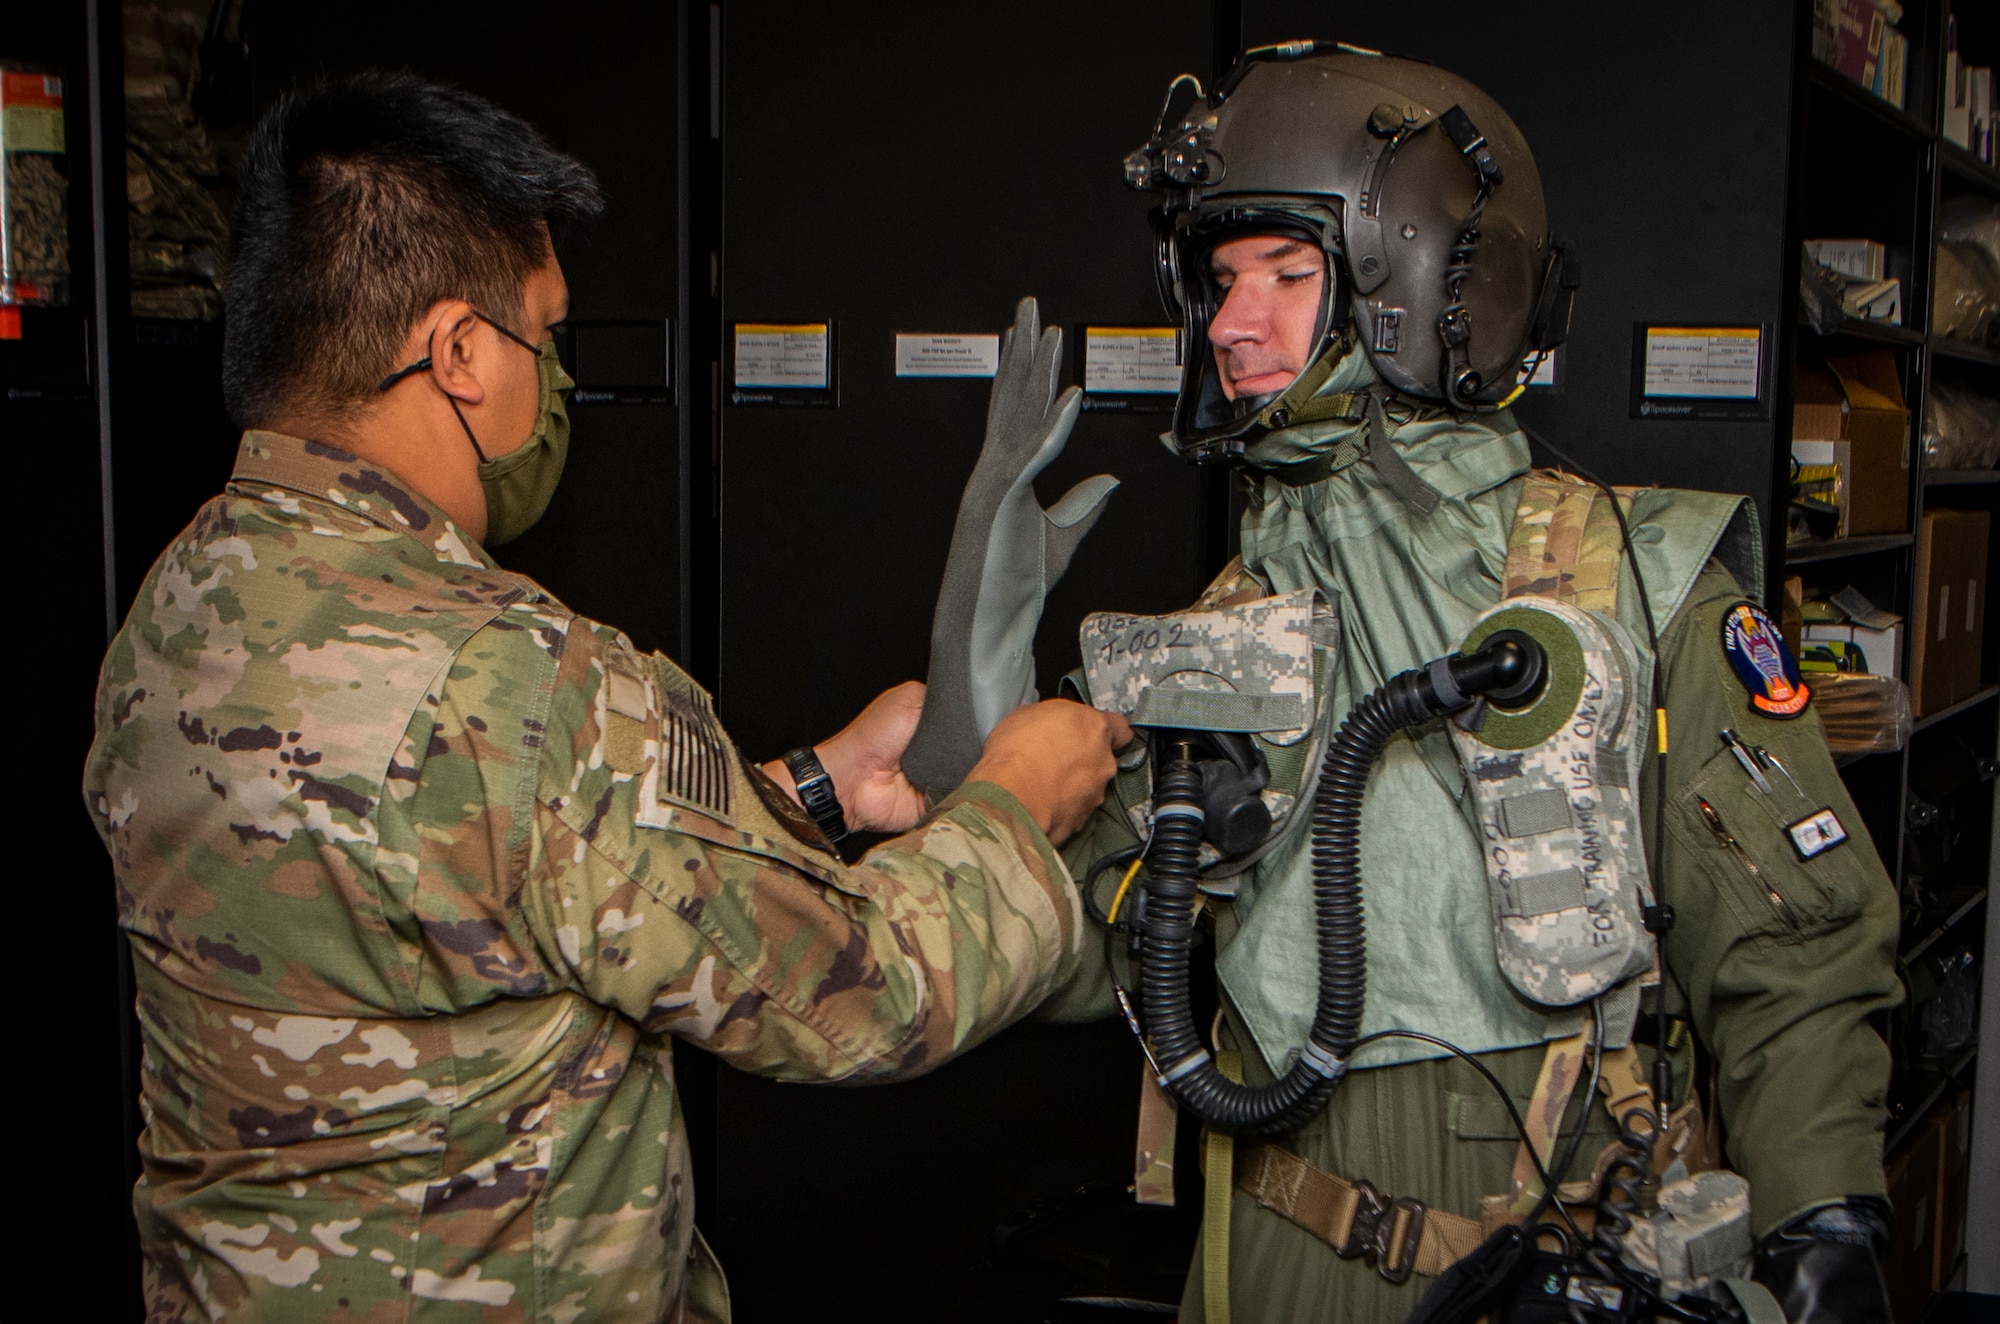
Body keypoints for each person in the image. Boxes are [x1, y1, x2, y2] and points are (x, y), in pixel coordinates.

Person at [82, 71, 1128, 1323]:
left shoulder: (184, 600)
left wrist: (811, 790)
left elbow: (487, 882)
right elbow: (862, 992)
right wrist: (1017, 798)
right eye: (544, 334)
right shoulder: (521, 678)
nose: (554, 380)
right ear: (461, 353)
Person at [1042, 43, 1901, 1324]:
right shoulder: (1213, 636)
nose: (1229, 324)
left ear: (1431, 278)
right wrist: (978, 785)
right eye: (1220, 280)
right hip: (1262, 1254)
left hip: (1548, 1242)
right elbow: (1082, 952)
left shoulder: (1633, 591)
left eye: (1284, 274)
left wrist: (1818, 1208)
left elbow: (1791, 945)